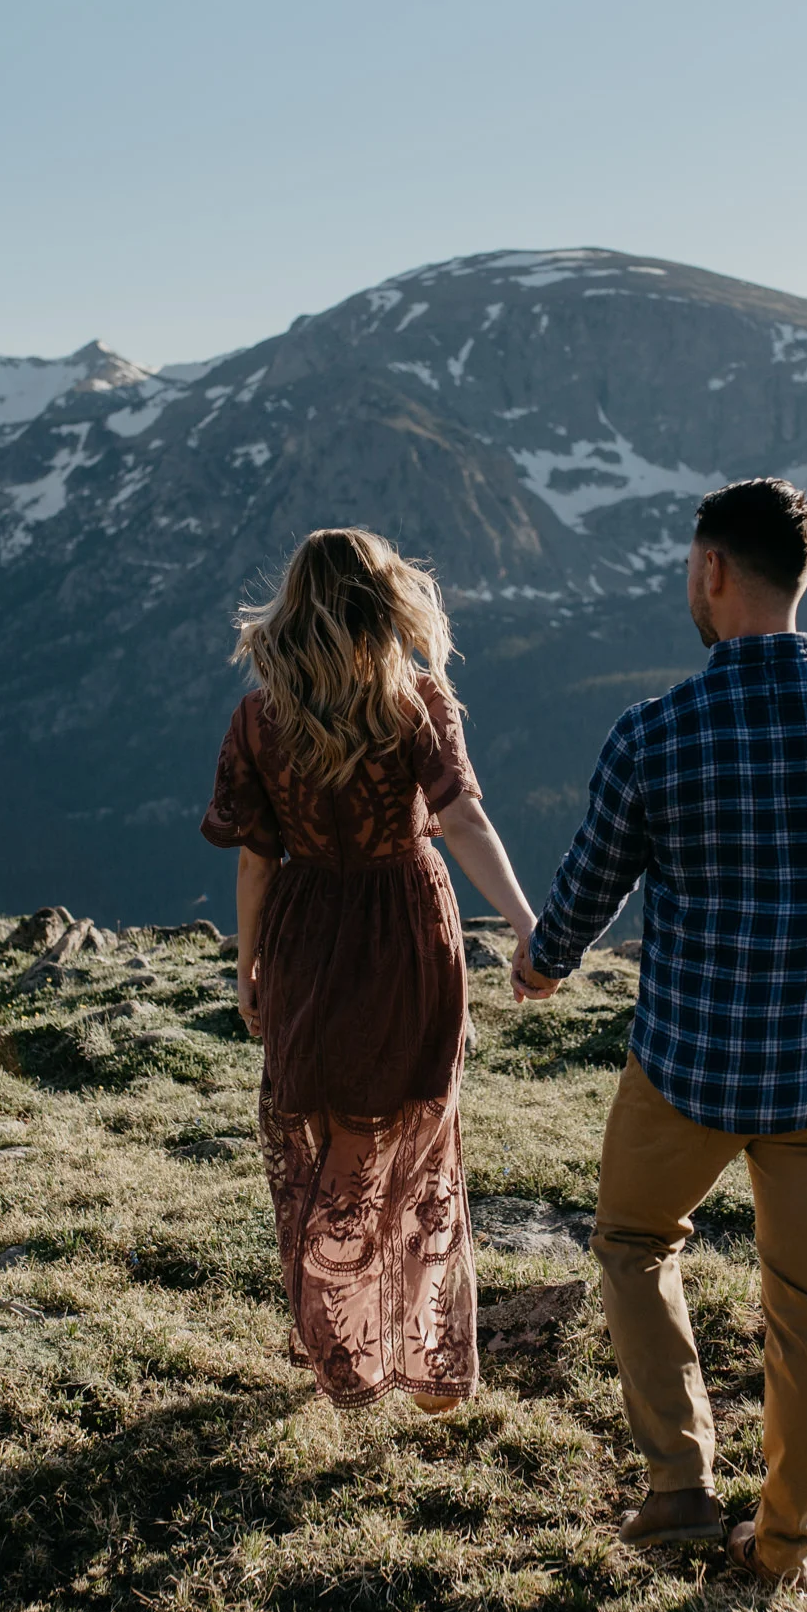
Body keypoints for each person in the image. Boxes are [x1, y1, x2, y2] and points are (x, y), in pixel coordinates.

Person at [513, 477, 807, 1594]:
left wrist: (541, 960)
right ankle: (784, 1549)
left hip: (682, 1069)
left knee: (632, 1243)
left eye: (690, 565)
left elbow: (586, 890)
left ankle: (677, 1486)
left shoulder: (655, 732)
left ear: (714, 571)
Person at [200, 527, 544, 1413]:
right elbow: (462, 816)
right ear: (386, 602)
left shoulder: (259, 719)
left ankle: (346, 1346)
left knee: (322, 1132)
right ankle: (425, 1361)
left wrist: (249, 967)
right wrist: (525, 923)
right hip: (407, 926)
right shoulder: (417, 702)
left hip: (308, 933)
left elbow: (254, 862)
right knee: (419, 1140)